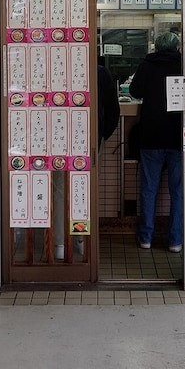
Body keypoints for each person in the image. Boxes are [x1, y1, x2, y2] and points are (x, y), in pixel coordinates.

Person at [53, 62, 121, 261]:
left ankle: (59, 244)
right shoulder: (99, 71)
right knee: (83, 190)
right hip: (89, 141)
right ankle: (81, 239)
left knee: (60, 192)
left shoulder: (57, 66)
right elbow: (113, 109)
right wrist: (101, 135)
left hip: (59, 141)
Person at [129, 31, 183, 253]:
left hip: (151, 134)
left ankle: (146, 238)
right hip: (179, 135)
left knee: (149, 189)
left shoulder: (147, 64)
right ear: (178, 46)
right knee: (178, 190)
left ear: (157, 46)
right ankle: (175, 240)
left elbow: (134, 91)